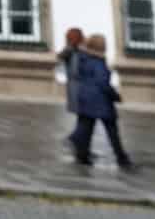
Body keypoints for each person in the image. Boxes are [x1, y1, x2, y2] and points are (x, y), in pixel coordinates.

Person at [69, 34, 133, 169]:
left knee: (86, 129)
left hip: (85, 98)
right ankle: (122, 158)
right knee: (112, 132)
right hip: (101, 101)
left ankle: (82, 156)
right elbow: (103, 83)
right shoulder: (99, 62)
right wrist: (115, 96)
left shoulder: (82, 59)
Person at [57, 27, 85, 149]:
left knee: (83, 114)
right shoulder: (70, 50)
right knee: (83, 114)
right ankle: (76, 137)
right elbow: (59, 57)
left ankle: (76, 137)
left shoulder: (76, 50)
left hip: (75, 85)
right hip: (78, 85)